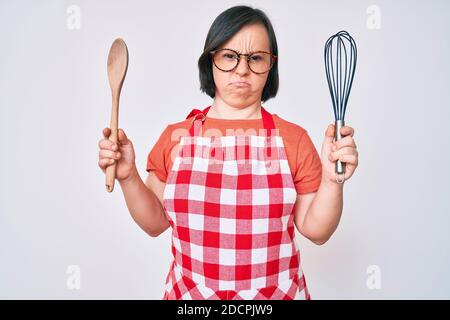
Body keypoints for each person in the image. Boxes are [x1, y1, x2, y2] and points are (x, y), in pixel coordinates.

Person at [97, 5, 358, 300]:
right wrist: (128, 176)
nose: (242, 69)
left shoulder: (294, 139)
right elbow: (155, 223)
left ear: (271, 65)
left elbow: (317, 231)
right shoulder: (175, 137)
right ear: (210, 62)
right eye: (229, 56)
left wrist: (332, 180)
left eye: (256, 58)